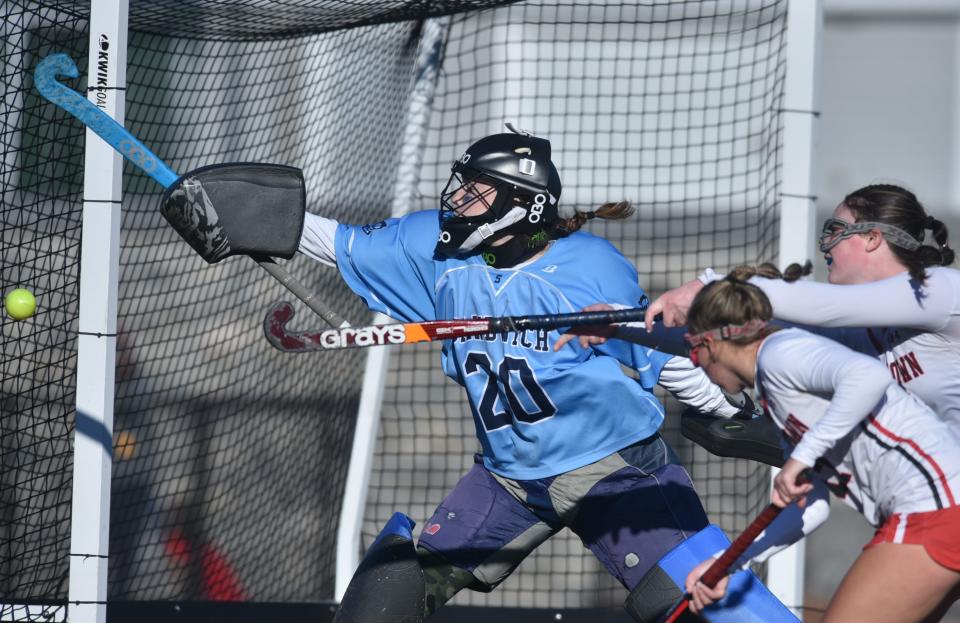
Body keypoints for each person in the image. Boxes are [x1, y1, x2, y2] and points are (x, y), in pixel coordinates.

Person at [298, 126, 748, 621]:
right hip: (508, 477)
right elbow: (340, 243)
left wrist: (728, 407)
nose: (458, 199)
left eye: (476, 190)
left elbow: (655, 355)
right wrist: (255, 217)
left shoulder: (586, 266)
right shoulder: (441, 253)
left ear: (521, 204)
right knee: (382, 601)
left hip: (610, 467)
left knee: (694, 601)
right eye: (461, 185)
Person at [674, 272, 960, 622]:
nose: (694, 363)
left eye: (692, 349)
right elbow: (811, 503)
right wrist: (731, 561)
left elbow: (868, 375)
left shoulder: (781, 354)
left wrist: (803, 455)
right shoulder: (773, 393)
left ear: (712, 343)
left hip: (937, 507)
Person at [640, 184, 960, 424]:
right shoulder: (866, 328)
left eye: (834, 232)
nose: (824, 246)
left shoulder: (938, 289)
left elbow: (826, 306)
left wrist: (711, 284)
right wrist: (619, 327)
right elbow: (733, 334)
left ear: (873, 238)